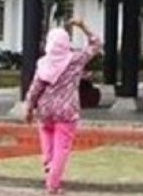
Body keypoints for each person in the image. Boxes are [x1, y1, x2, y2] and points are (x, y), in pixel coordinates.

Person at [26, 19, 102, 195]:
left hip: (45, 110)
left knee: (46, 134)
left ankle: (48, 162)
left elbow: (35, 88)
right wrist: (83, 26)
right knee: (63, 148)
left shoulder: (43, 63)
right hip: (67, 111)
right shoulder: (75, 60)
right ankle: (53, 184)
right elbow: (97, 43)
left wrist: (29, 107)